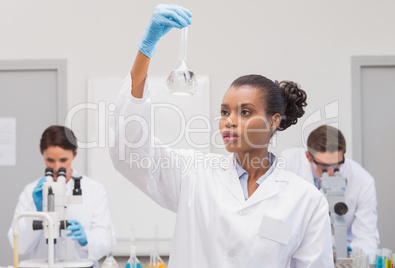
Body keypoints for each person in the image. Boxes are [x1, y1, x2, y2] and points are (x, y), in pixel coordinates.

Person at [109, 4, 334, 267]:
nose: (229, 122)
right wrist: (146, 50)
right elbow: (130, 152)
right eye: (225, 111)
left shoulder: (305, 200)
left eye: (245, 112)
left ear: (274, 121)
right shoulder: (193, 174)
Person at [8, 125, 115, 268]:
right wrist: (38, 212)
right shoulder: (31, 192)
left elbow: (107, 241)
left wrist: (86, 239)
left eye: (63, 160)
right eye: (50, 161)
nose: (57, 168)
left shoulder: (94, 190)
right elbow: (19, 246)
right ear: (43, 155)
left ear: (74, 154)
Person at [281, 125, 379, 262]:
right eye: (324, 168)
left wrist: (350, 260)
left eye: (337, 165)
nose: (331, 172)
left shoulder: (362, 180)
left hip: (341, 254)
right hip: (294, 253)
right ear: (308, 156)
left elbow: (366, 238)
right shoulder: (289, 163)